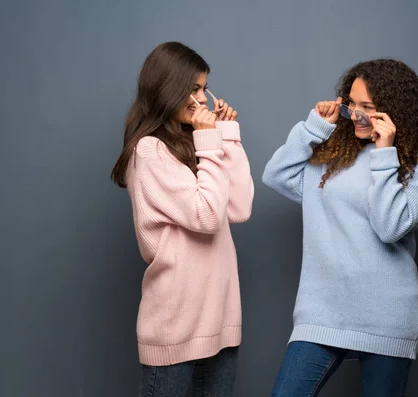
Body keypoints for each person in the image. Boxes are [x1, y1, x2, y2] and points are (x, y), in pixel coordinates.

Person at [262, 59, 418, 397]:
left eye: (367, 107)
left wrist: (385, 154)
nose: (355, 114)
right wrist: (313, 128)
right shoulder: (334, 155)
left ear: (394, 111)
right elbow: (276, 176)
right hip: (321, 312)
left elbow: (389, 227)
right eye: (351, 104)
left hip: (386, 316)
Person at [110, 42, 254, 397]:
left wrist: (227, 139)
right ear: (168, 88)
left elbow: (237, 208)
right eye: (193, 89)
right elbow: (205, 216)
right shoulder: (149, 151)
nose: (203, 99)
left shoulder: (192, 142)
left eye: (204, 88)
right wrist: (209, 140)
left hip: (219, 319)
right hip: (176, 326)